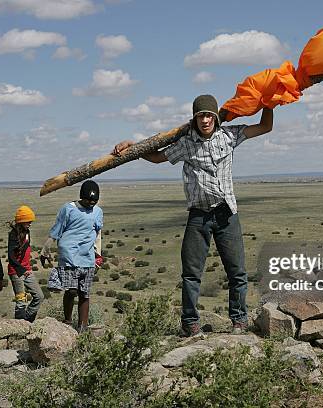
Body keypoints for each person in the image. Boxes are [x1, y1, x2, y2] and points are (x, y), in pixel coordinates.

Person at [113, 94, 273, 336]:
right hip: (198, 215)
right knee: (191, 273)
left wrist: (270, 102)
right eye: (200, 116)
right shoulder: (186, 143)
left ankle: (239, 321)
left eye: (209, 115)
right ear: (195, 119)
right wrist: (131, 147)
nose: (205, 120)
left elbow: (265, 127)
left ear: (216, 117)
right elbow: (157, 157)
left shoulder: (230, 136)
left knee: (237, 272)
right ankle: (190, 324)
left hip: (226, 213)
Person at [41, 180, 103, 332]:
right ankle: (68, 322)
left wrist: (98, 255)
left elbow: (97, 234)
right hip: (69, 257)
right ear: (81, 197)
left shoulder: (97, 212)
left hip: (88, 258)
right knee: (72, 291)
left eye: (94, 201)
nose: (91, 203)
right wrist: (46, 248)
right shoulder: (68, 209)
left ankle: (83, 328)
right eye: (88, 200)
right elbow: (57, 229)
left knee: (85, 294)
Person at [7, 205, 43, 322]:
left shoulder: (27, 232)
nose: (30, 223)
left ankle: (27, 321)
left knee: (39, 296)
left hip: (27, 270)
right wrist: (21, 269)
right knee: (21, 301)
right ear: (22, 221)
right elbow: (11, 257)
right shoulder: (13, 234)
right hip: (16, 272)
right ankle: (19, 327)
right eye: (28, 221)